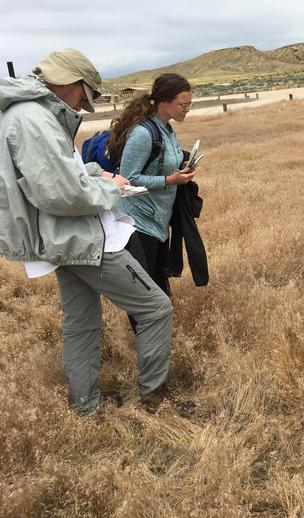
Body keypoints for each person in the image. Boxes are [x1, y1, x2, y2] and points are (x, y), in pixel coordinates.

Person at [0, 48, 173, 415]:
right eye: (84, 94)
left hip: (62, 240)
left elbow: (64, 173)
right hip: (82, 239)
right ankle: (154, 399)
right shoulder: (34, 120)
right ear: (69, 81)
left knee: (81, 323)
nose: (83, 104)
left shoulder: (32, 114)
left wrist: (98, 174)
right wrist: (115, 190)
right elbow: (60, 192)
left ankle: (86, 405)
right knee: (156, 308)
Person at [106, 73, 197, 297]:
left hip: (158, 220)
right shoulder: (142, 134)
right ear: (165, 103)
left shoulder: (167, 129)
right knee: (143, 291)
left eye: (189, 105)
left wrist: (183, 166)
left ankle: (161, 330)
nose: (186, 109)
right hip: (139, 223)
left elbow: (163, 163)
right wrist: (170, 180)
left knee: (159, 285)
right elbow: (129, 180)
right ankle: (146, 331)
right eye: (182, 104)